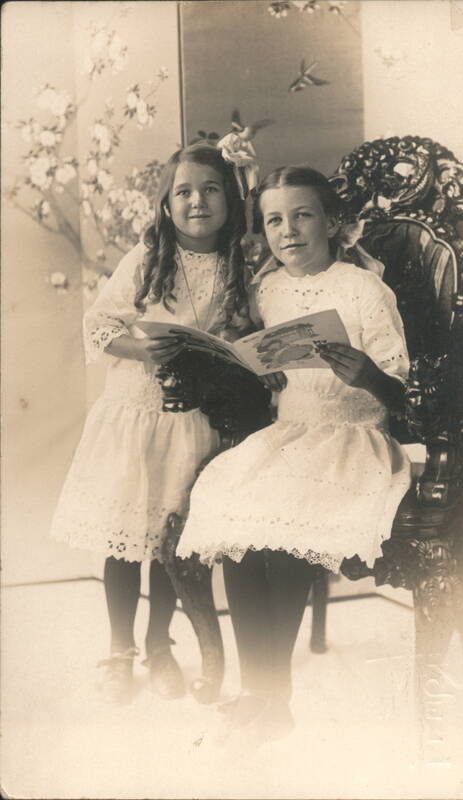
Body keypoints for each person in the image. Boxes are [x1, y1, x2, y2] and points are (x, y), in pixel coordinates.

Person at [176, 165, 411, 740]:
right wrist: (253, 372)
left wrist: (369, 376)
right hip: (287, 435)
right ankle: (265, 694)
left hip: (352, 437)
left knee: (285, 524)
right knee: (233, 514)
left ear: (332, 223)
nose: (288, 231)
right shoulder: (267, 288)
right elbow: (260, 364)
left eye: (302, 215)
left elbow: (401, 388)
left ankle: (268, 694)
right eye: (274, 220)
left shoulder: (362, 289)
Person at [51, 144, 253, 705]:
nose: (197, 201)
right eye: (184, 191)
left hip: (190, 419)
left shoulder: (238, 262)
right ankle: (120, 650)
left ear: (230, 200)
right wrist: (143, 352)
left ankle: (159, 643)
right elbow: (99, 326)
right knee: (125, 543)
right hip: (135, 415)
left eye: (211, 189)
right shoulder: (146, 257)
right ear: (166, 205)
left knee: (173, 538)